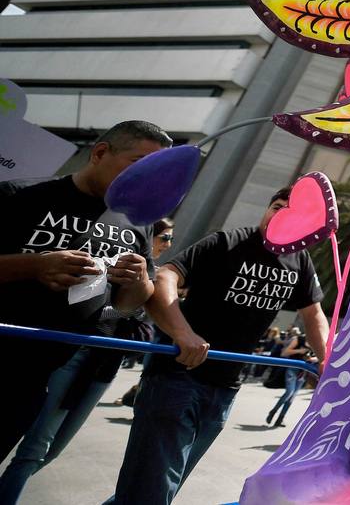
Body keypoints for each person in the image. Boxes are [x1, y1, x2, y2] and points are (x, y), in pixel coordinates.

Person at [106, 186, 326, 505]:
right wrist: (183, 333)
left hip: (225, 390)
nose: (280, 215)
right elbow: (166, 276)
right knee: (152, 491)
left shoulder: (300, 262)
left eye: (291, 212)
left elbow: (313, 313)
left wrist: (327, 359)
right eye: (277, 206)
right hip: (176, 378)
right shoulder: (227, 242)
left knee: (155, 487)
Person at [0, 120, 167, 463]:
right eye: (138, 165)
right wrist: (35, 265)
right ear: (100, 153)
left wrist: (137, 281)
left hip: (36, 380)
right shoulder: (20, 195)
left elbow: (128, 304)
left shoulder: (137, 222)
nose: (147, 180)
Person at [0, 216, 173, 504]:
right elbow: (107, 310)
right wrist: (119, 309)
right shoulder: (106, 244)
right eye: (165, 237)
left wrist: (137, 289)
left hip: (104, 363)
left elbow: (132, 311)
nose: (168, 244)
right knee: (36, 448)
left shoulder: (142, 263)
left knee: (51, 449)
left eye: (170, 239)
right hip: (72, 351)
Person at [265, 332, 310, 427]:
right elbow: (285, 352)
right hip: (292, 369)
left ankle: (280, 419)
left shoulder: (317, 343)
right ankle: (273, 411)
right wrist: (299, 351)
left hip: (303, 372)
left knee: (292, 397)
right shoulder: (299, 339)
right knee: (289, 392)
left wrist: (314, 358)